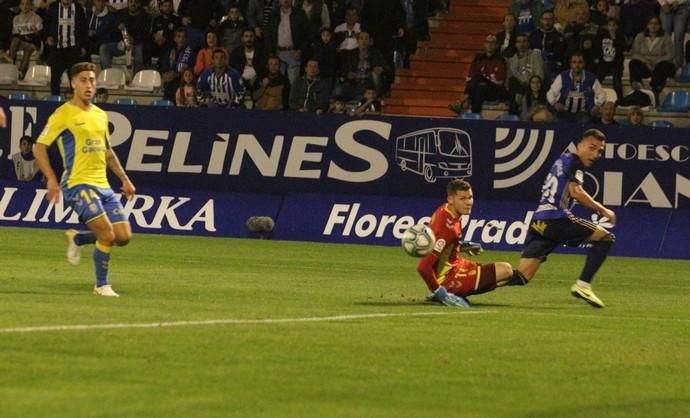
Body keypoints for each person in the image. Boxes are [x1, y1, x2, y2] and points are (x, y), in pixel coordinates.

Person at [34, 62, 136, 297]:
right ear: (72, 84)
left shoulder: (100, 115)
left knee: (123, 237)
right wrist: (51, 179)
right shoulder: (63, 114)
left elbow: (108, 152)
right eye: (83, 80)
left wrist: (125, 180)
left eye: (92, 80)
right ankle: (101, 285)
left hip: (104, 186)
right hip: (77, 184)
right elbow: (40, 147)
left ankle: (78, 238)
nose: (89, 85)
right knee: (107, 235)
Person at [518, 129, 616, 308]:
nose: (595, 154)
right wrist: (603, 210)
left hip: (539, 221)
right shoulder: (576, 162)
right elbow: (576, 192)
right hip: (556, 219)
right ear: (579, 145)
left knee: (521, 276)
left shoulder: (562, 159)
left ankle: (466, 282)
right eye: (592, 148)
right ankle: (583, 285)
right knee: (606, 238)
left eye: (600, 151)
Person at [417, 179, 528, 308]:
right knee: (506, 271)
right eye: (463, 198)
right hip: (448, 278)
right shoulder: (447, 228)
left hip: (455, 266)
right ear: (451, 199)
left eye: (470, 197)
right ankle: (449, 292)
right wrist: (440, 292)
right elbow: (423, 267)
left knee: (502, 272)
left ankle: (454, 290)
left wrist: (461, 245)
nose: (468, 202)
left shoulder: (446, 210)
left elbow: (441, 245)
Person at [448, 34, 507, 115]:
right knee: (480, 86)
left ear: (496, 45)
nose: (489, 45)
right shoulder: (478, 58)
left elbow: (499, 80)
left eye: (492, 43)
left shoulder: (500, 60)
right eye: (487, 42)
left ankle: (461, 101)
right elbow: (470, 76)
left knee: (478, 79)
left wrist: (484, 78)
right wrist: (484, 79)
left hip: (494, 90)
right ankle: (475, 114)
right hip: (480, 88)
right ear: (484, 44)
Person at [547, 51, 606, 123]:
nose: (577, 65)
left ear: (584, 64)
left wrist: (597, 106)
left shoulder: (591, 78)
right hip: (564, 112)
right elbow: (550, 93)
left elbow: (601, 94)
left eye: (580, 62)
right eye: (574, 62)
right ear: (571, 64)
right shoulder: (562, 76)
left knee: (586, 122)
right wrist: (555, 104)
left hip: (584, 113)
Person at [629, 16, 675, 105]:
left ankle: (655, 91)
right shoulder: (640, 36)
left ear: (660, 25)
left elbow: (670, 55)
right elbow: (634, 54)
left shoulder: (666, 37)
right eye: (651, 23)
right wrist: (645, 61)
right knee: (634, 63)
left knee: (663, 66)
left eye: (656, 24)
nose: (653, 26)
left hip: (660, 65)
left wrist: (657, 61)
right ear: (647, 25)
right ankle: (635, 84)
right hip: (646, 65)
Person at [10, 0, 43, 80]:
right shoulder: (16, 18)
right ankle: (10, 63)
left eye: (27, 4)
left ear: (31, 6)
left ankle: (20, 74)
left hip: (32, 42)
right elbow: (15, 34)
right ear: (20, 6)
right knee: (15, 40)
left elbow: (39, 34)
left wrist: (32, 34)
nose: (25, 6)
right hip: (21, 41)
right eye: (22, 4)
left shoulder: (36, 18)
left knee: (27, 50)